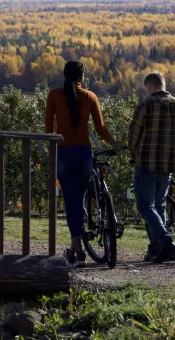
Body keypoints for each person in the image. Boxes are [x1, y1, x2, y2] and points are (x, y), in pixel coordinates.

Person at [44, 59, 121, 267]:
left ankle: (77, 248)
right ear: (82, 77)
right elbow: (101, 128)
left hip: (63, 153)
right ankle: (77, 244)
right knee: (81, 196)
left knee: (71, 200)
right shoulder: (90, 97)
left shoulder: (53, 96)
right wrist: (115, 143)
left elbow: (48, 131)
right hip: (84, 153)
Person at [129, 71, 175, 264]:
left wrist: (133, 156)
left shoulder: (144, 105)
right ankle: (157, 249)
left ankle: (165, 241)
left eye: (146, 89)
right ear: (163, 85)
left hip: (146, 164)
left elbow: (133, 136)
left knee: (145, 206)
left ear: (150, 86)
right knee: (159, 206)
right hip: (167, 166)